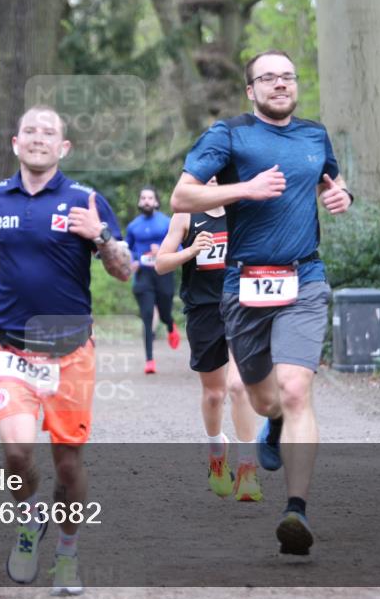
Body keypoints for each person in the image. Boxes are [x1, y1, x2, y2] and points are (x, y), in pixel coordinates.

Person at [170, 50, 353, 555]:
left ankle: (296, 511)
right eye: (268, 78)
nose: (280, 84)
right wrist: (244, 189)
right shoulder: (227, 135)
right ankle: (272, 423)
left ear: (296, 86)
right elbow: (181, 198)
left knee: (296, 390)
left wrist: (343, 197)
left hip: (304, 278)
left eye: (287, 77)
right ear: (250, 90)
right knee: (263, 399)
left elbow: (328, 183)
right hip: (244, 284)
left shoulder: (315, 135)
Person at [0, 105, 130, 595]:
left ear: (63, 148)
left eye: (50, 133)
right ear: (16, 142)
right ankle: (30, 522)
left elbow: (124, 269)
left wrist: (103, 236)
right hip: (10, 349)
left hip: (70, 353)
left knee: (68, 466)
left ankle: (67, 553)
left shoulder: (86, 200)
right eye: (31, 130)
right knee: (17, 452)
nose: (39, 138)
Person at [154, 179, 262, 502]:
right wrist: (191, 250)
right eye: (207, 174)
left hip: (241, 305)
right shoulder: (185, 214)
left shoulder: (242, 210)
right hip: (203, 310)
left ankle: (247, 470)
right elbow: (160, 263)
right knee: (214, 394)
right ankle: (217, 451)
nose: (214, 179)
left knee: (239, 386)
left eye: (220, 172)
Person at [124, 186, 180, 374]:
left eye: (150, 198)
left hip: (163, 273)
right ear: (140, 202)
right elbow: (127, 249)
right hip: (143, 276)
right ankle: (149, 360)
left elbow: (179, 246)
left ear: (156, 202)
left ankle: (171, 325)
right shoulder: (133, 226)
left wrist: (164, 251)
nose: (146, 201)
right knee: (147, 316)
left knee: (164, 313)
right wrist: (132, 261)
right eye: (143, 198)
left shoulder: (166, 222)